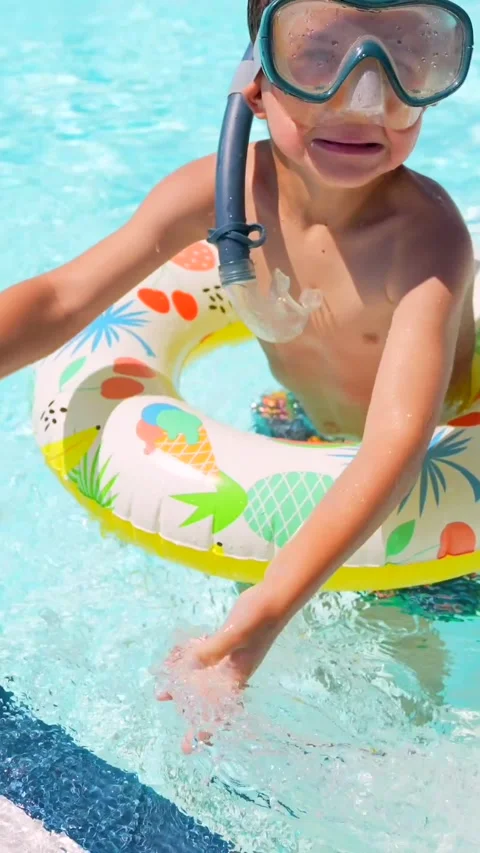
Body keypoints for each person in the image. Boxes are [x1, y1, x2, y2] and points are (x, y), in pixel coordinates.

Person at [0, 0, 476, 746]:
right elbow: (63, 297)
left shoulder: (428, 242)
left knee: (400, 695)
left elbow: (397, 443)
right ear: (255, 80)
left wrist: (263, 612)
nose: (366, 98)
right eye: (319, 52)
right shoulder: (220, 195)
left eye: (408, 52)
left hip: (432, 483)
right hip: (301, 430)